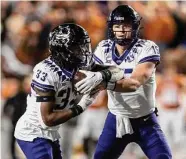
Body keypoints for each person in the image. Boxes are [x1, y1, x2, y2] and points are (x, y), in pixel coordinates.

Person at [14, 23, 125, 159]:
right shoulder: (46, 71)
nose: (83, 51)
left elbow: (118, 71)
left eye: (83, 45)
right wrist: (80, 107)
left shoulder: (79, 63)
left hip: (51, 133)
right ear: (62, 49)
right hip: (33, 132)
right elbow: (47, 119)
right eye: (76, 47)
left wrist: (100, 75)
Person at [75, 5, 172, 159]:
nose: (121, 30)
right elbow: (88, 76)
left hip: (145, 121)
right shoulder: (103, 48)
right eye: (117, 26)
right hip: (116, 119)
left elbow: (134, 83)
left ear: (134, 27)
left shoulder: (147, 48)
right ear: (111, 28)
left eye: (126, 25)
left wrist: (103, 80)